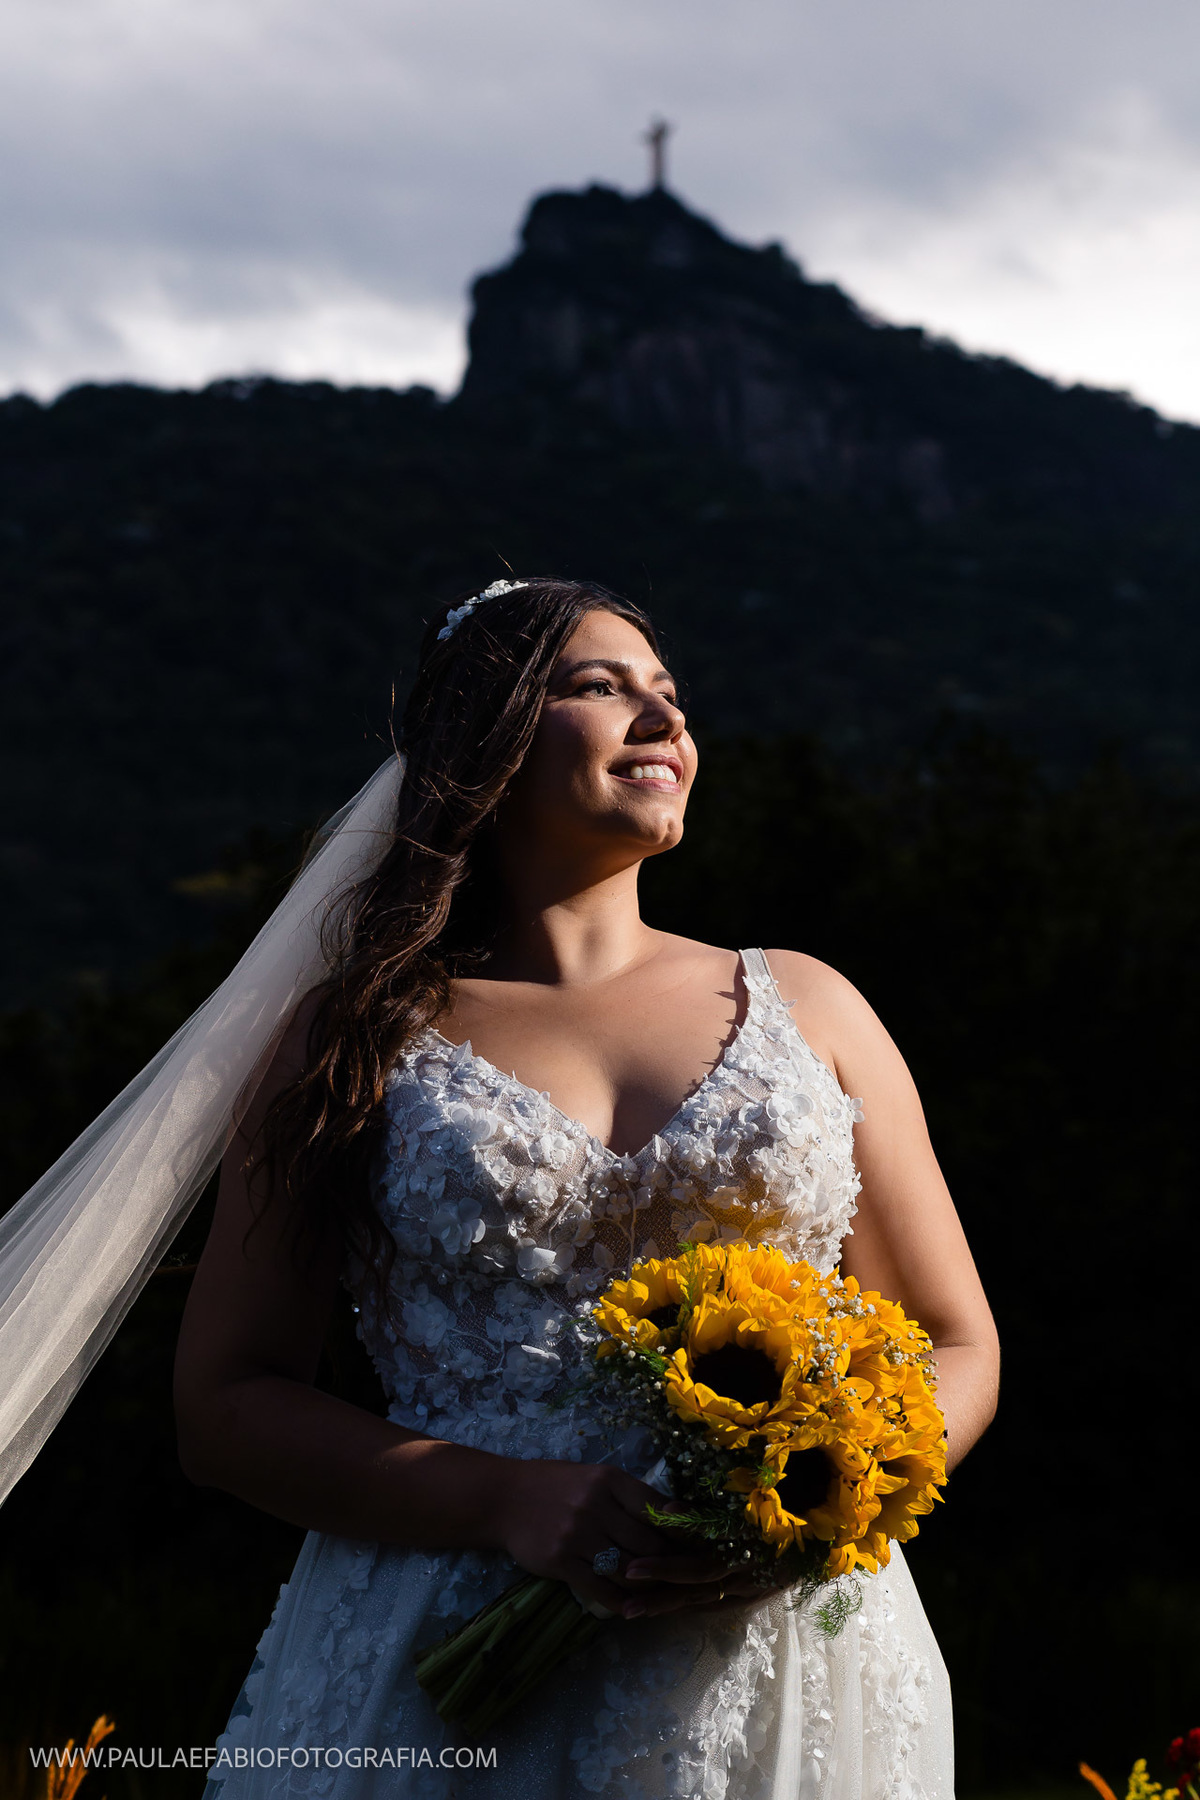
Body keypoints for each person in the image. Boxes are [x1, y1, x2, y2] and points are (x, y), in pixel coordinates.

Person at [172, 576, 999, 1799]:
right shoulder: (354, 1041)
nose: (661, 719)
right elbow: (224, 1405)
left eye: (670, 695)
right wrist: (501, 1499)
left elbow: (955, 1339)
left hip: (785, 1655)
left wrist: (811, 1505)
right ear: (486, 738)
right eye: (600, 687)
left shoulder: (810, 1004)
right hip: (444, 1649)